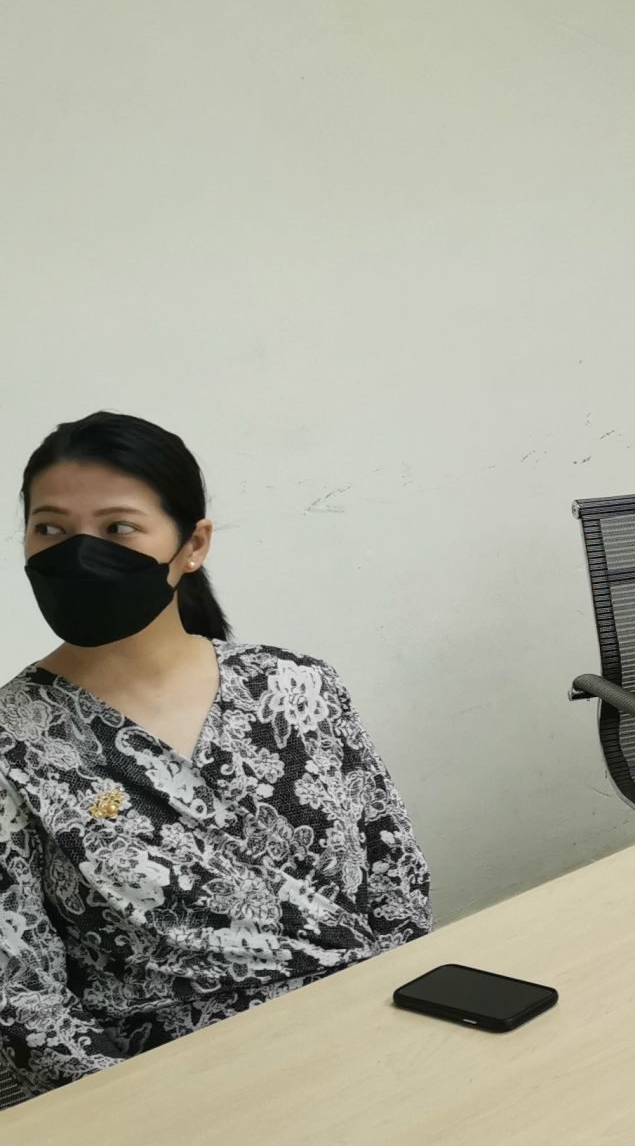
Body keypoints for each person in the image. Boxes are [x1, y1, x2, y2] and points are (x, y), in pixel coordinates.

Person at [2, 414, 432, 1105]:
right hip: (174, 1094)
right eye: (50, 528)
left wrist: (396, 1030)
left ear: (193, 545)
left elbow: (397, 885)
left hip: (377, 1035)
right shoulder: (14, 741)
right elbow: (21, 1003)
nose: (78, 555)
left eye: (118, 528)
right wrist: (168, 1109)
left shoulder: (296, 686)